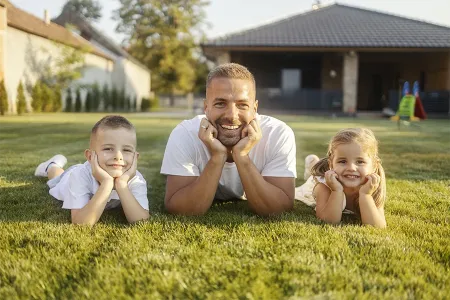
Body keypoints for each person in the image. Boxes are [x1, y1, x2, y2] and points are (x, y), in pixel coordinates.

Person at [161, 63, 297, 216]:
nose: (232, 116)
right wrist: (218, 157)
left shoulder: (277, 133)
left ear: (255, 108)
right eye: (220, 103)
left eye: (242, 105)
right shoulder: (184, 133)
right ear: (206, 107)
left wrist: (242, 156)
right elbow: (179, 209)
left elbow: (280, 208)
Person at [34, 115, 149, 225]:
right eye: (108, 148)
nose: (118, 156)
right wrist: (107, 183)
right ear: (90, 156)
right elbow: (81, 223)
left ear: (135, 157)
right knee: (56, 176)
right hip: (67, 179)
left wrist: (121, 184)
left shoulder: (136, 179)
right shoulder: (79, 176)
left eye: (127, 150)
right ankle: (51, 165)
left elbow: (141, 220)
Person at [295, 128, 387, 228]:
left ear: (374, 166)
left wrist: (365, 195)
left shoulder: (371, 186)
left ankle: (314, 165)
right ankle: (312, 170)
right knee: (311, 179)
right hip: (314, 185)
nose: (351, 168)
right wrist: (336, 191)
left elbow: (378, 226)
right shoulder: (323, 186)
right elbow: (329, 220)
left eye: (360, 162)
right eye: (342, 161)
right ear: (331, 164)